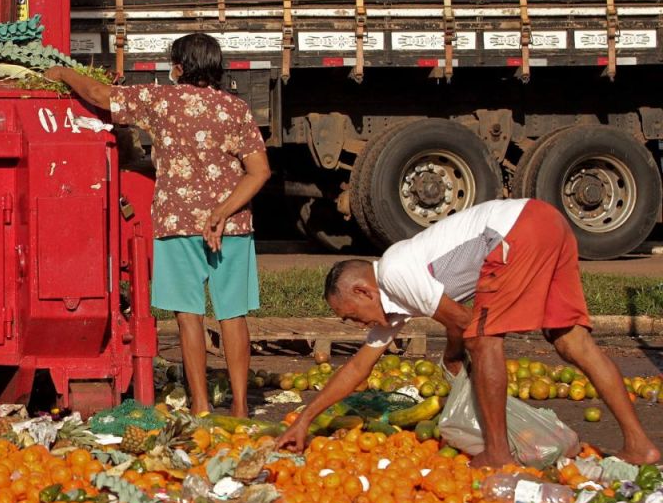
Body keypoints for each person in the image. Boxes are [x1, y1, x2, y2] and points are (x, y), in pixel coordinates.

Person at [276, 198, 660, 467]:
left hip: (516, 231)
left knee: (484, 339)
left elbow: (465, 326)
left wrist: (451, 353)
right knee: (573, 343)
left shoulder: (395, 271)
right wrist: (305, 420)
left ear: (363, 291)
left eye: (350, 316)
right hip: (548, 222)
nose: (355, 325)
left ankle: (496, 454)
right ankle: (640, 446)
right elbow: (357, 369)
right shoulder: (392, 302)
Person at [46, 33, 271, 416]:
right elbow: (259, 172)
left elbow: (100, 96)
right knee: (233, 315)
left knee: (188, 317)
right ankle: (240, 409)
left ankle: (200, 406)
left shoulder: (160, 101)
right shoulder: (235, 109)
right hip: (231, 226)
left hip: (178, 222)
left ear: (178, 68)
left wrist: (64, 73)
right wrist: (220, 212)